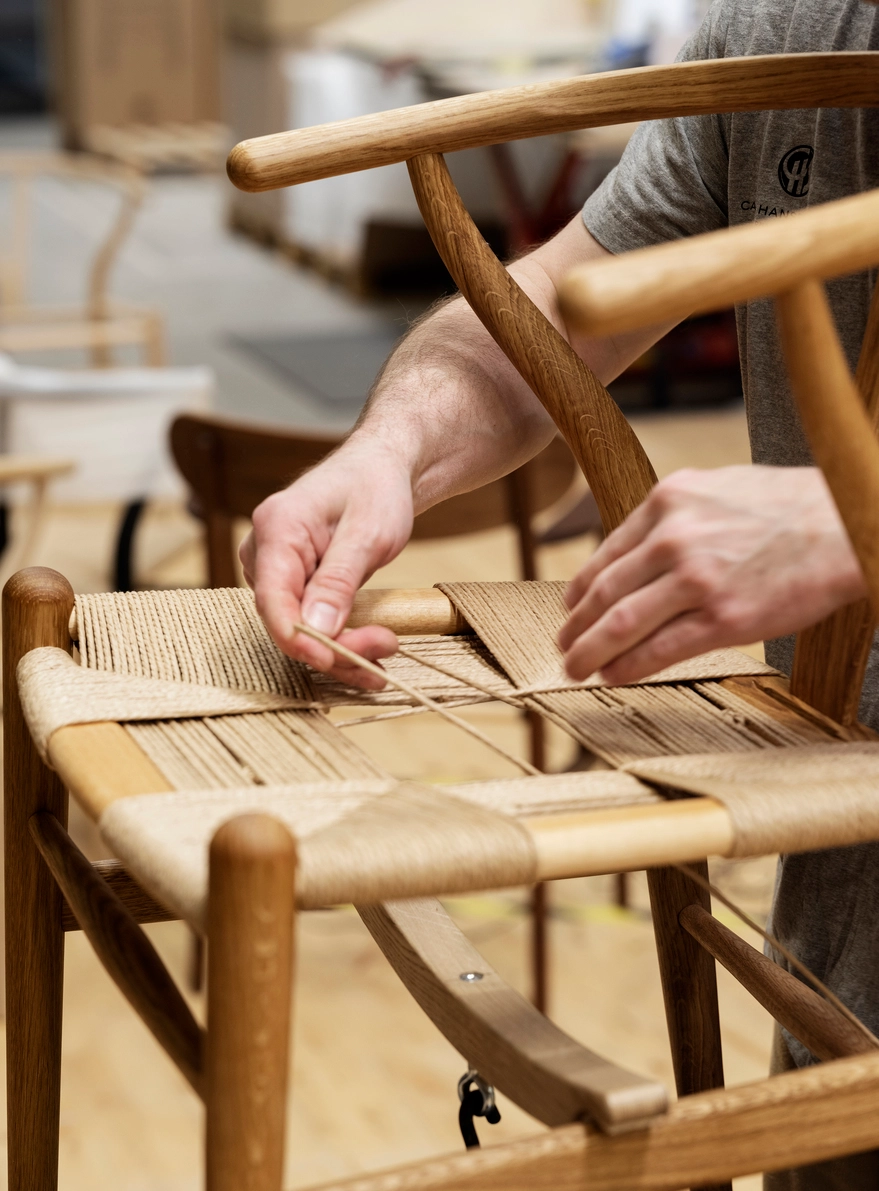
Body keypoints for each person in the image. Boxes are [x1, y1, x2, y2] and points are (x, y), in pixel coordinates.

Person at [241, 2, 879, 1185]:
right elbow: (524, 334)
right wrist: (388, 452)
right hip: (843, 848)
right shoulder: (786, 26)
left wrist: (854, 522)